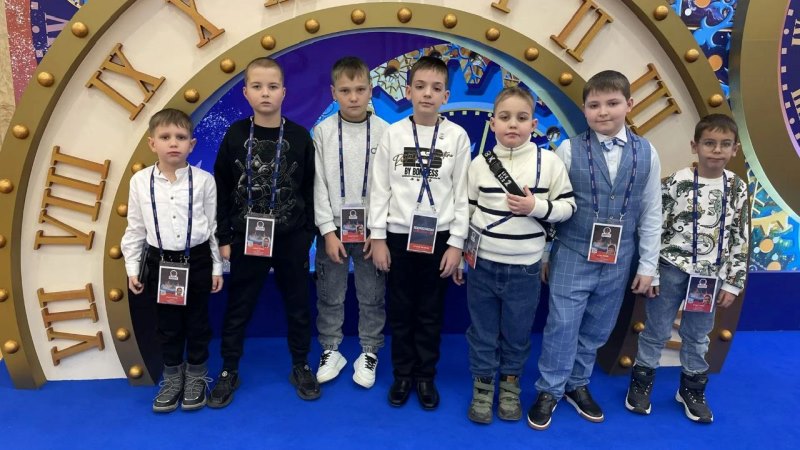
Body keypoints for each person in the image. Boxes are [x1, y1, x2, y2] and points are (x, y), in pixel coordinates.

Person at [529, 70, 662, 430]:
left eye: (612, 103)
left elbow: (652, 212)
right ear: (584, 109)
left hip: (619, 258)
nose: (603, 111)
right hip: (572, 251)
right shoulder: (568, 149)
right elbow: (552, 206)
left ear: (629, 104)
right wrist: (546, 253)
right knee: (562, 324)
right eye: (594, 105)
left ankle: (577, 384)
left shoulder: (647, 152)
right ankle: (550, 389)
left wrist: (648, 266)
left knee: (597, 327)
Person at [456, 86, 575, 424]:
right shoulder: (479, 164)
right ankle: (482, 386)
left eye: (522, 118)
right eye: (505, 117)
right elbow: (467, 211)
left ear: (534, 124)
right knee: (481, 331)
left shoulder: (549, 162)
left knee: (517, 333)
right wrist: (463, 255)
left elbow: (568, 207)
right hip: (482, 265)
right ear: (492, 123)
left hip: (524, 269)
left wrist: (535, 206)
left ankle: (509, 386)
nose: (513, 124)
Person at [625, 114, 749, 424]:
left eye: (724, 144)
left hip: (709, 277)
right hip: (671, 268)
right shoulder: (677, 182)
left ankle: (691, 390)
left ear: (735, 149)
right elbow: (654, 228)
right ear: (695, 146)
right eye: (709, 143)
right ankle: (641, 383)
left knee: (697, 334)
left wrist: (733, 283)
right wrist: (651, 272)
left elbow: (741, 237)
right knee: (656, 330)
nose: (716, 150)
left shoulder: (737, 187)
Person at [209, 57, 318, 407]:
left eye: (272, 86)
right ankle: (228, 369)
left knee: (298, 305)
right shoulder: (235, 134)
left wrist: (307, 234)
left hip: (291, 238)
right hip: (246, 237)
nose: (265, 93)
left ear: (284, 92)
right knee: (238, 306)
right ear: (246, 93)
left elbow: (311, 189)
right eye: (257, 86)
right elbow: (221, 189)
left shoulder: (299, 136)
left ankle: (301, 364)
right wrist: (224, 237)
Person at [369, 55, 470, 410]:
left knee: (430, 311)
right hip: (398, 236)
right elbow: (379, 189)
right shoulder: (393, 134)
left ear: (446, 95)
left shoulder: (457, 137)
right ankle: (402, 374)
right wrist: (378, 237)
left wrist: (456, 243)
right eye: (421, 86)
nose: (428, 94)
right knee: (400, 310)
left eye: (436, 88)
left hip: (439, 237)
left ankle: (425, 376)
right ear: (408, 91)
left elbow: (462, 194)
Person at [121, 108, 224, 412]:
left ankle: (196, 376)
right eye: (165, 137)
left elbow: (214, 226)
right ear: (152, 143)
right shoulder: (139, 182)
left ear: (192, 144)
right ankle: (172, 378)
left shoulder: (204, 181)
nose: (173, 143)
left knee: (198, 323)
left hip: (197, 259)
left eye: (180, 137)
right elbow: (135, 228)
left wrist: (217, 267)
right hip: (160, 263)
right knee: (167, 325)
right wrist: (132, 268)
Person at [312, 56, 389, 388]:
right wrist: (327, 231)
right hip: (334, 232)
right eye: (345, 91)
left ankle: (369, 351)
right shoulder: (322, 132)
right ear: (334, 93)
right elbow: (318, 185)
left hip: (372, 232)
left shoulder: (386, 131)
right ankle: (331, 349)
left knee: (372, 295)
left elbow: (388, 187)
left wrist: (379, 230)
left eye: (360, 89)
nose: (353, 97)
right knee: (330, 294)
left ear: (371, 90)